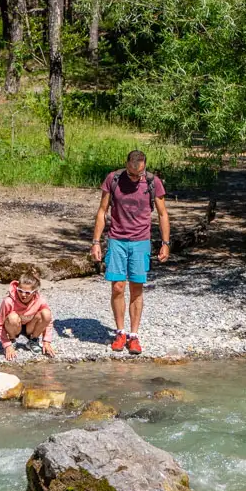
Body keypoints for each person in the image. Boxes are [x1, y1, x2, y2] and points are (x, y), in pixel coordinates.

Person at [91, 149, 169, 355]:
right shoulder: (113, 179)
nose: (135, 178)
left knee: (136, 287)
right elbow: (102, 211)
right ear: (126, 165)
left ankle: (134, 336)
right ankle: (120, 332)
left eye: (139, 174)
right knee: (117, 286)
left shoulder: (153, 182)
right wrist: (96, 242)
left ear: (144, 167)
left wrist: (165, 242)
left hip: (141, 241)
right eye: (132, 174)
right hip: (117, 239)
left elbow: (162, 214)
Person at [0, 276, 54, 360]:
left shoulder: (41, 301)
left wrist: (46, 341)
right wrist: (6, 345)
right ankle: (12, 341)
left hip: (31, 327)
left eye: (27, 293)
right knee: (13, 317)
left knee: (46, 313)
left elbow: (48, 321)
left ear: (34, 292)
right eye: (20, 291)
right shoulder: (8, 301)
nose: (23, 295)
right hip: (14, 326)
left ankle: (33, 341)